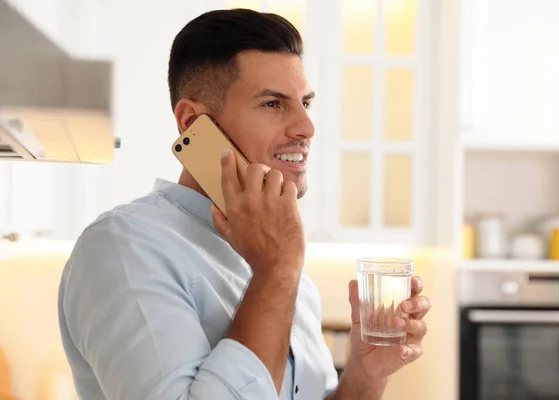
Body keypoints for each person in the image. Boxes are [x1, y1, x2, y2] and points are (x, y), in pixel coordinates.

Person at [58, 8, 431, 400]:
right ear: (192, 123)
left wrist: (366, 376)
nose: (306, 127)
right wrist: (277, 272)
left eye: (305, 102)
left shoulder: (285, 268)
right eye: (273, 104)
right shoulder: (125, 248)